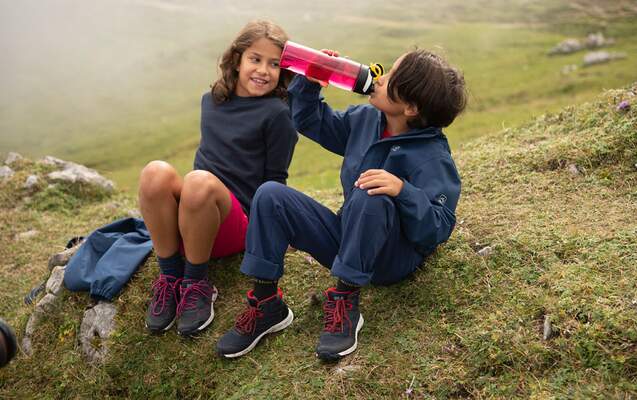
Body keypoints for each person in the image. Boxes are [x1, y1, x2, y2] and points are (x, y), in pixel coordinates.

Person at [216, 48, 467, 360]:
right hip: (347, 238)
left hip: (389, 259)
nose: (378, 77)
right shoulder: (366, 120)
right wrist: (311, 82)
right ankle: (267, 304)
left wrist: (403, 191)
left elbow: (437, 228)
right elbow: (312, 121)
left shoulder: (433, 158)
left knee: (370, 191)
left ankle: (346, 300)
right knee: (270, 195)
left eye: (390, 77)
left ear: (411, 107)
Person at [139, 20, 298, 336]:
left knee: (198, 181)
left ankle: (196, 283)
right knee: (154, 172)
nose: (263, 70)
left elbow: (275, 182)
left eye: (274, 64)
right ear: (237, 59)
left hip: (237, 223)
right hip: (194, 217)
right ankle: (170, 277)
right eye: (255, 59)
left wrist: (277, 234)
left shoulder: (277, 114)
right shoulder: (210, 101)